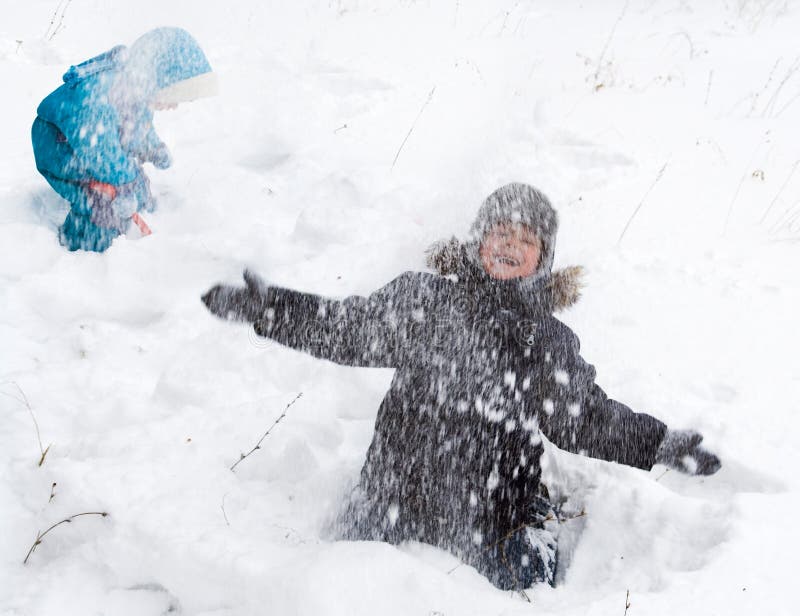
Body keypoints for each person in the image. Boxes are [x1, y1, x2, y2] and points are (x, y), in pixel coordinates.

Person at [201, 183, 721, 590]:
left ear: (544, 260)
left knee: (516, 597)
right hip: (396, 496)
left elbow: (585, 418)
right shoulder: (425, 301)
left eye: (527, 240)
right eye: (501, 232)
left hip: (498, 518)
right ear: (477, 241)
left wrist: (658, 443)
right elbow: (349, 329)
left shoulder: (545, 340)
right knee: (351, 583)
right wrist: (271, 309)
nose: (511, 245)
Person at [31, 27, 217, 252]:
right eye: (172, 96)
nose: (174, 105)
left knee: (134, 182)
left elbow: (137, 128)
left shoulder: (133, 88)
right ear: (155, 81)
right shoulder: (95, 98)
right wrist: (120, 186)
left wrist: (152, 148)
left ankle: (137, 210)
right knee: (102, 201)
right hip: (58, 146)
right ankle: (82, 244)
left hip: (88, 145)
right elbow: (100, 153)